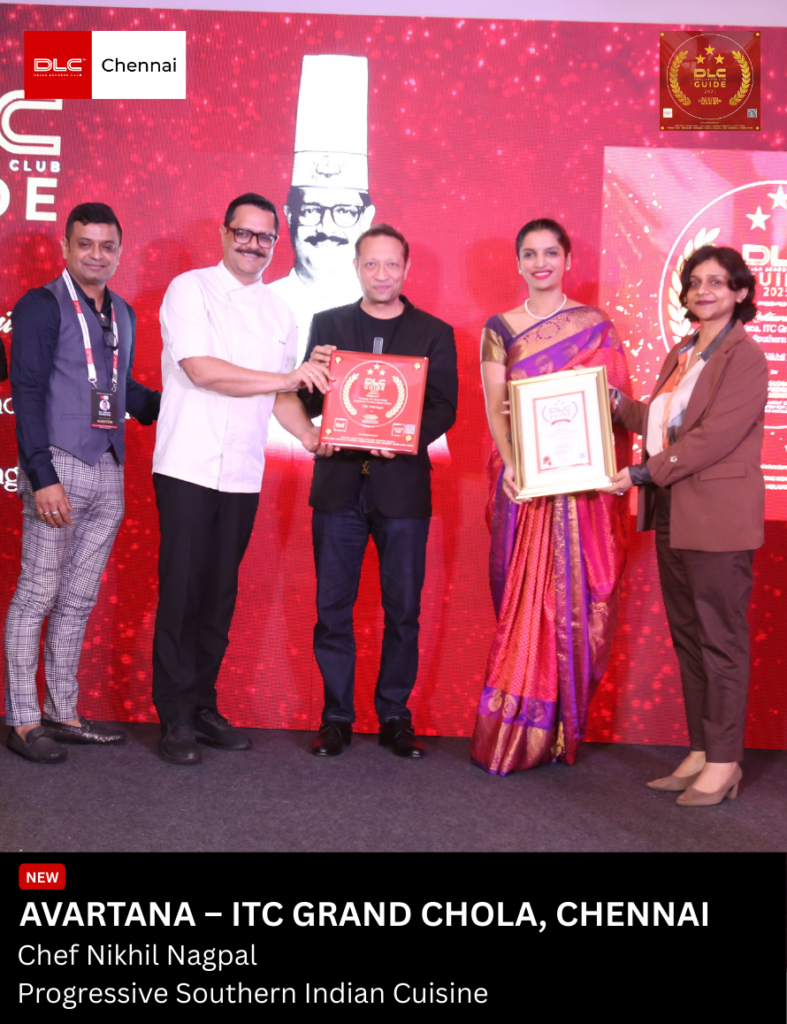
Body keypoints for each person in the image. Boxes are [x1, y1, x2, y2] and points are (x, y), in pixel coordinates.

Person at [151, 193, 333, 765]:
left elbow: (280, 396)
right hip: (186, 465)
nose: (253, 245)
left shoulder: (280, 312)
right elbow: (203, 372)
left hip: (241, 475)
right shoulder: (189, 289)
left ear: (277, 242)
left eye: (265, 237)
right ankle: (175, 717)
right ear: (224, 232)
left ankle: (203, 706)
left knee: (219, 596)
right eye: (244, 233)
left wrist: (310, 435)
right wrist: (289, 377)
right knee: (182, 592)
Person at [603, 245, 767, 806]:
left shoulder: (747, 357)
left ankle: (725, 762)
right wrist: (609, 401)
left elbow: (713, 437)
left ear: (740, 293)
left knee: (721, 640)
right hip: (673, 510)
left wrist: (642, 473)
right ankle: (701, 750)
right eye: (695, 282)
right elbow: (658, 422)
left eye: (717, 282)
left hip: (718, 517)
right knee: (690, 638)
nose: (703, 292)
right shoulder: (682, 350)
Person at [471, 218, 630, 775]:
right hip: (527, 486)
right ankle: (518, 728)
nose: (540, 263)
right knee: (524, 602)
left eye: (550, 253)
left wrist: (602, 410)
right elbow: (495, 408)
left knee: (577, 601)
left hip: (581, 492)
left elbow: (615, 407)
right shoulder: (499, 327)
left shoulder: (595, 327)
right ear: (518, 262)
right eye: (530, 254)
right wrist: (513, 464)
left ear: (567, 260)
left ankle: (564, 725)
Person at [5, 202, 161, 763]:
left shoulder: (123, 312)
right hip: (58, 464)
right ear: (66, 247)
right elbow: (26, 390)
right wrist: (41, 474)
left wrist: (178, 404)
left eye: (107, 246)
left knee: (77, 598)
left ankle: (62, 712)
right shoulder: (41, 305)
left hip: (109, 469)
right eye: (86, 244)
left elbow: (118, 388)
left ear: (119, 252)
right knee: (37, 594)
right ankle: (23, 721)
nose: (97, 255)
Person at [299, 223, 457, 758]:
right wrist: (314, 376)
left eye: (392, 264)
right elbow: (311, 401)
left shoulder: (434, 331)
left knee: (403, 611)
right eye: (372, 263)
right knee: (332, 608)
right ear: (356, 267)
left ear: (406, 269)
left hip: (402, 490)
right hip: (338, 487)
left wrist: (405, 439)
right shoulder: (328, 324)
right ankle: (336, 718)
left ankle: (394, 716)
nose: (382, 274)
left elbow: (444, 406)